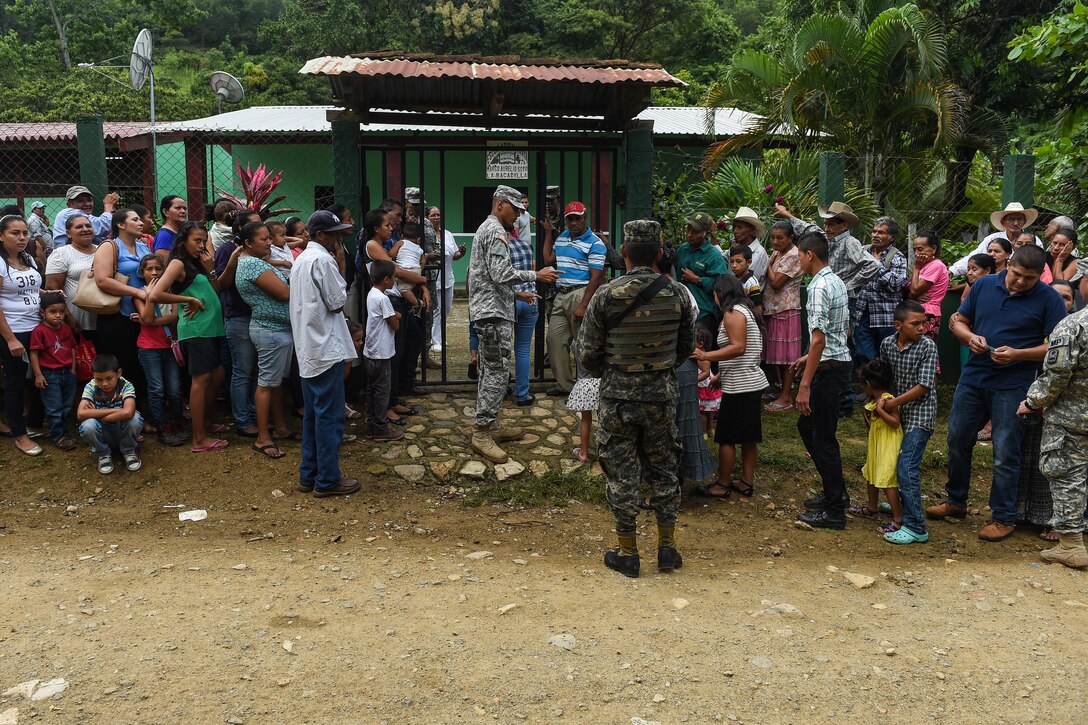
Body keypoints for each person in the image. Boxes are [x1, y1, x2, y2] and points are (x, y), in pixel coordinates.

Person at [926, 245, 1067, 541]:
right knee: (957, 440)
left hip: (1014, 384)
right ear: (1009, 265)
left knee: (1005, 452)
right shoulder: (985, 285)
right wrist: (970, 338)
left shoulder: (1049, 298)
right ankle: (955, 502)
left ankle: (1003, 517)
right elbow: (960, 322)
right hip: (974, 377)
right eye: (1016, 274)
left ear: (1038, 277)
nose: (1019, 282)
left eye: (1028, 279)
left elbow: (1056, 346)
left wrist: (1019, 354)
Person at [580, 219, 695, 578]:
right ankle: (667, 549)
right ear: (660, 253)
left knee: (621, 471)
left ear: (624, 252)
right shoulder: (677, 294)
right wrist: (658, 370)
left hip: (618, 397)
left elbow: (587, 353)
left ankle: (628, 552)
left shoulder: (606, 295)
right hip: (661, 395)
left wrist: (614, 371)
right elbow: (686, 348)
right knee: (664, 469)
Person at [467, 186, 558, 463]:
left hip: (493, 309)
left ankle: (492, 424)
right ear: (501, 205)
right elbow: (500, 273)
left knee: (491, 370)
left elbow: (485, 276)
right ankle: (482, 432)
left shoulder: (490, 229)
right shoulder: (494, 231)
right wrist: (536, 275)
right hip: (492, 314)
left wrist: (518, 294)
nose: (518, 216)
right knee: (496, 371)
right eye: (515, 210)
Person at [150, 221, 240, 454]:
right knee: (200, 381)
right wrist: (187, 300)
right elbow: (156, 294)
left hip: (213, 328)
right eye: (196, 241)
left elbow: (217, 291)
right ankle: (198, 438)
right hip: (196, 329)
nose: (201, 245)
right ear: (183, 241)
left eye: (203, 241)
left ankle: (207, 423)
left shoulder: (199, 263)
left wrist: (210, 269)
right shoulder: (178, 263)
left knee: (217, 375)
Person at [289, 210, 360, 498]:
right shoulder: (323, 260)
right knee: (329, 417)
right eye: (335, 234)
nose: (339, 238)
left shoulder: (302, 260)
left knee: (313, 416)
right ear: (321, 235)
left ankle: (309, 474)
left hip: (309, 348)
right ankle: (328, 479)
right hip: (325, 347)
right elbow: (336, 301)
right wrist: (341, 266)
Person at [1018, 300, 1088, 568]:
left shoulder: (1074, 325)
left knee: (1067, 475)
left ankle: (1071, 545)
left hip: (1073, 419)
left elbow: (1057, 374)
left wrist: (1032, 402)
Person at [793, 228, 853, 529]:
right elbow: (839, 330)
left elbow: (818, 340)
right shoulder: (836, 280)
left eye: (798, 256)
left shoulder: (817, 288)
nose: (798, 262)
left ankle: (834, 511)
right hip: (836, 363)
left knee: (823, 438)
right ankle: (836, 493)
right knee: (811, 428)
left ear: (809, 255)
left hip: (828, 371)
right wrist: (810, 358)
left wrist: (805, 384)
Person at [693, 274, 768, 499]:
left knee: (726, 437)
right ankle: (745, 481)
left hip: (741, 386)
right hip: (748, 381)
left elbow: (738, 348)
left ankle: (722, 485)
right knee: (748, 437)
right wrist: (721, 375)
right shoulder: (746, 311)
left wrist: (706, 354)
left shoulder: (732, 313)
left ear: (720, 293)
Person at [234, 221, 296, 460]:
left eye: (270, 237)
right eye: (264, 239)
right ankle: (263, 438)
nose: (269, 242)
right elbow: (284, 293)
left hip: (278, 329)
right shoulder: (251, 264)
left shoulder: (257, 262)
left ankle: (280, 428)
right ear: (248, 243)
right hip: (270, 331)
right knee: (266, 383)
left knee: (275, 382)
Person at [879, 300, 939, 545]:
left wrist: (893, 405)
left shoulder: (928, 347)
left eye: (924, 323)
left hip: (920, 414)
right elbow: (884, 378)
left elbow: (924, 386)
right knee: (895, 461)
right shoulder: (887, 344)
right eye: (915, 324)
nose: (922, 328)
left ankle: (916, 527)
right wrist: (879, 402)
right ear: (898, 325)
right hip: (896, 413)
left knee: (906, 467)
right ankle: (902, 505)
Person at [361, 208, 427, 416]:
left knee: (405, 345)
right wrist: (421, 280)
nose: (391, 228)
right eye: (387, 225)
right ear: (375, 228)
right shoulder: (372, 245)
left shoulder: (385, 245)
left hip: (397, 299)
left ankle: (394, 397)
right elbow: (395, 271)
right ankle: (387, 405)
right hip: (390, 301)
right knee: (393, 352)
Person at [542, 200, 606, 396]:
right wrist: (548, 234)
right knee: (554, 339)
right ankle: (566, 385)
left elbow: (596, 276)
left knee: (582, 342)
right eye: (570, 219)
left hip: (581, 292)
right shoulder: (562, 237)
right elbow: (548, 260)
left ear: (585, 218)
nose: (573, 223)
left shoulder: (595, 242)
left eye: (577, 218)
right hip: (561, 294)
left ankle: (587, 386)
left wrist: (584, 304)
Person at [92, 208, 152, 406]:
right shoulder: (109, 246)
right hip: (117, 316)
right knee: (123, 366)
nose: (141, 222)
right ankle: (121, 412)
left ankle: (144, 413)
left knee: (142, 366)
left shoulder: (144, 247)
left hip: (143, 315)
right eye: (135, 219)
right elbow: (102, 280)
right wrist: (136, 292)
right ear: (120, 224)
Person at [0, 215, 45, 456]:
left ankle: (34, 423)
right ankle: (20, 434)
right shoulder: (0, 263)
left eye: (24, 233)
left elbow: (31, 288)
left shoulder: (27, 258)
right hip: (15, 330)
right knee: (16, 384)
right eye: (14, 233)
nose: (22, 237)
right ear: (1, 236)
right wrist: (10, 339)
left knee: (39, 378)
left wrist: (48, 293)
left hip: (37, 328)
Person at [215, 210, 262, 438]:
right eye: (255, 225)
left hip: (257, 315)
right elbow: (222, 284)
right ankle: (242, 419)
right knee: (242, 370)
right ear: (241, 230)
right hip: (237, 316)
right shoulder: (227, 251)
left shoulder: (260, 249)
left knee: (255, 370)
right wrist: (234, 261)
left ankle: (255, 413)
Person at [132, 255, 184, 447]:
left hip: (171, 346)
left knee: (175, 389)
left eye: (158, 269)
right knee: (157, 389)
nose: (154, 273)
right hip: (149, 348)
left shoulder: (172, 291)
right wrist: (150, 296)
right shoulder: (139, 294)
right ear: (142, 272)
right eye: (149, 269)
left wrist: (151, 321)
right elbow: (147, 317)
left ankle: (176, 421)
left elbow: (175, 316)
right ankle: (163, 427)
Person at [850, 359, 904, 532]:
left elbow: (895, 423)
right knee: (872, 474)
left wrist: (880, 410)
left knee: (887, 480)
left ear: (867, 383)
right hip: (878, 443)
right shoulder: (874, 400)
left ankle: (898, 519)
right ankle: (872, 509)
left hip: (889, 445)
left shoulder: (887, 400)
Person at [853, 216, 908, 368]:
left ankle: (887, 389)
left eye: (881, 233)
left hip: (886, 316)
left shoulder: (897, 257)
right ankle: (871, 390)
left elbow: (896, 285)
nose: (876, 235)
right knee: (864, 354)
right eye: (874, 231)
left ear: (892, 237)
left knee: (888, 356)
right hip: (862, 313)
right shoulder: (862, 252)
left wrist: (876, 265)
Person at [76, 354, 142, 474]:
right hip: (103, 432)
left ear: (119, 373)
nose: (104, 384)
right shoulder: (91, 386)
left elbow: (128, 412)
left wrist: (96, 413)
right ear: (93, 376)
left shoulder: (126, 385)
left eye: (109, 378)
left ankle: (128, 451)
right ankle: (103, 454)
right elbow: (81, 413)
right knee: (88, 425)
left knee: (135, 419)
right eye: (99, 379)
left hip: (121, 430)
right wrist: (117, 410)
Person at [763, 221, 804, 411]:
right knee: (778, 354)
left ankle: (786, 397)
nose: (775, 241)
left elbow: (777, 282)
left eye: (780, 238)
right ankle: (781, 390)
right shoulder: (779, 253)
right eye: (773, 237)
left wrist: (766, 265)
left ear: (791, 238)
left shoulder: (794, 255)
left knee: (788, 356)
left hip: (786, 310)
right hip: (774, 308)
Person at [29, 291, 77, 451]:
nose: (58, 316)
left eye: (61, 312)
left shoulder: (66, 329)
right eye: (53, 312)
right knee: (54, 407)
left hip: (67, 373)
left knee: (66, 405)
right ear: (43, 312)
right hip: (50, 374)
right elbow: (34, 353)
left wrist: (73, 369)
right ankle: (59, 435)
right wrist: (38, 374)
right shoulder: (39, 331)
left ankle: (63, 430)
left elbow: (72, 349)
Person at [364, 259, 404, 442]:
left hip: (371, 351)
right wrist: (397, 315)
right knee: (382, 391)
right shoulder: (383, 298)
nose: (395, 280)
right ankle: (380, 427)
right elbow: (394, 325)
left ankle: (371, 423)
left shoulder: (372, 294)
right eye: (395, 277)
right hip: (382, 351)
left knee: (372, 389)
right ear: (387, 279)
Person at [948, 202, 1043, 277]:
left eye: (1019, 219)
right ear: (1003, 222)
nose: (1015, 223)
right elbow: (976, 256)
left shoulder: (1034, 240)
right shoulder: (993, 238)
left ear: (1024, 222)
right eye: (1011, 219)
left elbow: (1039, 262)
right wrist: (953, 270)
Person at [44, 214, 98, 341]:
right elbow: (52, 289)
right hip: (77, 322)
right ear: (68, 233)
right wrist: (68, 317)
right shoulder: (61, 253)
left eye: (88, 226)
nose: (85, 229)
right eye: (79, 227)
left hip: (105, 318)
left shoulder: (103, 249)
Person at [508, 206, 541, 406]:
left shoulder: (501, 247)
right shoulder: (527, 247)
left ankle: (501, 388)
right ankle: (522, 394)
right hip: (530, 299)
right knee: (522, 350)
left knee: (503, 349)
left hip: (511, 299)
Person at [676, 212, 728, 333]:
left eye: (695, 232)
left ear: (706, 233)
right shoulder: (683, 249)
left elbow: (721, 285)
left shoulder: (714, 255)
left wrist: (697, 279)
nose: (689, 234)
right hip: (683, 309)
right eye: (688, 229)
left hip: (703, 312)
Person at [426, 206, 466, 356]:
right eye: (433, 215)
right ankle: (435, 341)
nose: (436, 217)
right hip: (432, 278)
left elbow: (453, 255)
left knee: (446, 309)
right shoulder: (426, 234)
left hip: (447, 278)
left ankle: (440, 336)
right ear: (427, 218)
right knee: (435, 310)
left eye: (438, 215)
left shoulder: (447, 234)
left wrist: (461, 253)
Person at [909, 231, 949, 347]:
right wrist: (913, 294)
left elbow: (914, 290)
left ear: (933, 249)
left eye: (920, 249)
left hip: (927, 313)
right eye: (914, 250)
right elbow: (912, 291)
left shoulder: (936, 265)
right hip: (917, 310)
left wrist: (916, 268)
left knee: (924, 350)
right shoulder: (924, 265)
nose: (916, 253)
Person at [565, 341, 599, 463]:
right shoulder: (602, 340)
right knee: (604, 419)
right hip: (602, 382)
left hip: (585, 385)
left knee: (586, 420)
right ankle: (605, 449)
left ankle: (583, 453)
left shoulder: (577, 343)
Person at [52, 185, 118, 247]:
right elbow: (104, 225)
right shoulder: (68, 213)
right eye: (81, 201)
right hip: (68, 256)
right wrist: (108, 205)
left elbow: (101, 237)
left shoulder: (86, 217)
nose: (87, 204)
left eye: (89, 200)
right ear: (70, 205)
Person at [727, 206, 769, 281]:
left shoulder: (758, 254)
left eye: (740, 227)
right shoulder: (736, 248)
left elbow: (747, 281)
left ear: (752, 230)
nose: (735, 231)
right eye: (734, 227)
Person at [694, 328, 719, 436]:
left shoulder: (702, 356)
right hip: (708, 388)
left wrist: (693, 381)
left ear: (700, 344)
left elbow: (706, 373)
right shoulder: (703, 355)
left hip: (704, 388)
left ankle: (703, 433)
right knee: (709, 411)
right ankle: (710, 429)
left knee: (702, 412)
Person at [728, 245, 763, 315]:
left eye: (738, 261)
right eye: (732, 261)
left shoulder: (752, 283)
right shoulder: (733, 280)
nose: (734, 265)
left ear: (749, 262)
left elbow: (758, 309)